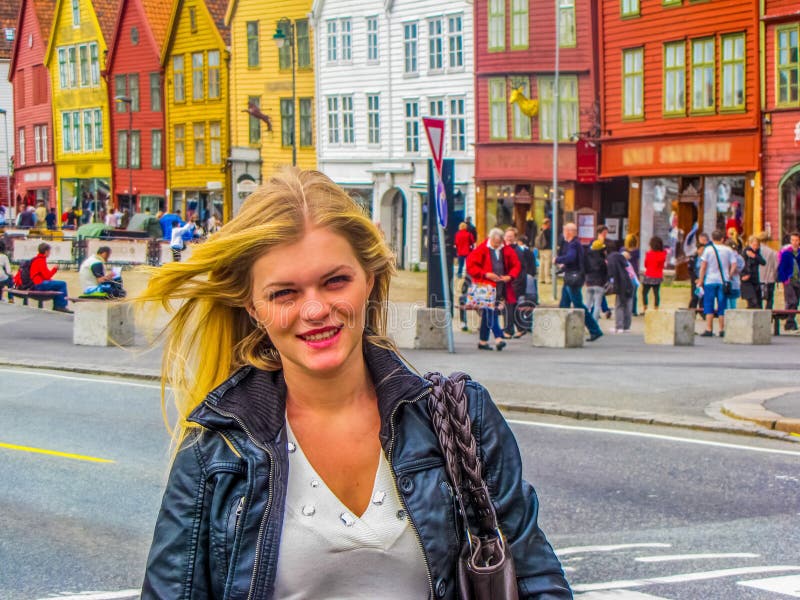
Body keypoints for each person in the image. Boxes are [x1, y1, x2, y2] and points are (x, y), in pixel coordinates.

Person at [138, 168, 571, 598]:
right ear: (253, 307)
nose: (315, 309)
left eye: (335, 281)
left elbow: (536, 578)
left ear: (370, 279)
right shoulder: (215, 449)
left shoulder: (461, 418)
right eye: (284, 293)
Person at [466, 227, 521, 350]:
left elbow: (516, 264)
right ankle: (498, 338)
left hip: (501, 286)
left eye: (499, 243)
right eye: (494, 243)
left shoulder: (506, 249)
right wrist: (485, 274)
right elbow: (471, 265)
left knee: (488, 312)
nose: (497, 245)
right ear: (490, 239)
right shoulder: (482, 248)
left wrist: (510, 276)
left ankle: (483, 341)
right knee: (491, 311)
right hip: (485, 287)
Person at [556, 222, 603, 341]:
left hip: (573, 279)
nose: (564, 233)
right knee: (564, 304)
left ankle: (595, 330)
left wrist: (557, 259)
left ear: (569, 232)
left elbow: (571, 258)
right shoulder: (575, 244)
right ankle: (561, 331)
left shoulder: (573, 244)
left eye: (565, 231)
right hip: (571, 277)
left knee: (578, 305)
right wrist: (563, 266)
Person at [697, 230, 737, 337]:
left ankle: (709, 328)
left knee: (708, 304)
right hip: (723, 281)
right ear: (723, 239)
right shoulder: (728, 250)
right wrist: (729, 274)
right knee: (722, 304)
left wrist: (700, 279)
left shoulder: (708, 250)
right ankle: (722, 329)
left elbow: (703, 266)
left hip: (710, 280)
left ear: (712, 238)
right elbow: (734, 264)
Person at [14, 242, 72, 313]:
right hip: (38, 284)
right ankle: (60, 305)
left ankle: (58, 305)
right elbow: (47, 276)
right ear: (46, 251)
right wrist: (55, 269)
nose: (50, 253)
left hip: (34, 284)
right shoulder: (41, 260)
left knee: (56, 284)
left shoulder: (35, 259)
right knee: (62, 284)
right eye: (49, 251)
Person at [503, 227, 533, 338]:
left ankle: (508, 330)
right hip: (510, 283)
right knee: (513, 306)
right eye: (507, 236)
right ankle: (521, 328)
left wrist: (515, 283)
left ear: (515, 238)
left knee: (509, 306)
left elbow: (520, 269)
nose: (508, 238)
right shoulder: (506, 249)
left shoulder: (517, 251)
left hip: (515, 283)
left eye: (511, 236)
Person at [584, 225, 609, 322]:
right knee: (597, 304)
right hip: (599, 282)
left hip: (589, 281)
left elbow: (585, 268)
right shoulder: (602, 261)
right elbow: (605, 272)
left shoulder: (588, 258)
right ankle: (594, 323)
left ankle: (586, 320)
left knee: (588, 303)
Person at [607, 248, 636, 333]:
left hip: (622, 286)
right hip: (631, 285)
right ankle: (627, 326)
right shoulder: (627, 264)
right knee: (628, 305)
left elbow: (612, 276)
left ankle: (619, 326)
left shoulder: (616, 265)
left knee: (619, 305)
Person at [777, 231, 800, 331]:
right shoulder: (786, 253)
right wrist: (784, 279)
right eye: (793, 240)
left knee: (795, 302)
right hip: (789, 280)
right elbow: (781, 267)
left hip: (798, 280)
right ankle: (790, 322)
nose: (794, 242)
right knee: (792, 300)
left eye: (796, 240)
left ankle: (790, 321)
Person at [642, 236, 667, 312]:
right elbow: (662, 266)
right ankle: (656, 308)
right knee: (656, 293)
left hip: (649, 275)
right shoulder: (663, 254)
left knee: (644, 292)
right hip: (658, 276)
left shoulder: (649, 254)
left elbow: (646, 265)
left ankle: (645, 307)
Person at [740, 235, 766, 309]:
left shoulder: (757, 253)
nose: (755, 247)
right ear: (750, 244)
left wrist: (754, 256)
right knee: (752, 300)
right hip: (747, 279)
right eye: (754, 245)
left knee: (758, 301)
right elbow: (743, 265)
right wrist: (743, 275)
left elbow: (763, 262)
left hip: (755, 279)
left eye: (757, 245)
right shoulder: (745, 252)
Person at [688, 232, 709, 311]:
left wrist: (702, 279)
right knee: (695, 297)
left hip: (704, 280)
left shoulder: (707, 258)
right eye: (701, 249)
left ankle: (703, 312)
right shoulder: (694, 258)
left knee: (703, 297)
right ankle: (691, 312)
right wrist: (696, 279)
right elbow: (690, 270)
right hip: (696, 281)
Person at [758, 231, 778, 310]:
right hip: (770, 278)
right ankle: (768, 316)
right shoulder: (773, 252)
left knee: (758, 299)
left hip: (759, 278)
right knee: (770, 299)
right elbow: (776, 266)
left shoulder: (757, 251)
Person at [624, 233, 641, 315]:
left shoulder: (623, 250)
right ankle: (633, 310)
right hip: (634, 274)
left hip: (624, 274)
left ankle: (625, 308)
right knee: (634, 294)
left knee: (624, 293)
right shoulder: (637, 252)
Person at [535, 217, 554, 284]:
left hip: (541, 249)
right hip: (547, 249)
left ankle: (541, 278)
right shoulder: (548, 231)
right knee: (547, 265)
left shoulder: (541, 230)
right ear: (548, 223)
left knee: (541, 264)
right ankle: (547, 279)